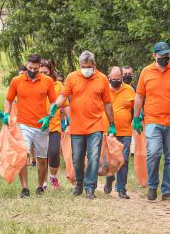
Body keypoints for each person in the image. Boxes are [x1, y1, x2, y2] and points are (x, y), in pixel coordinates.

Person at [50, 50, 116, 199]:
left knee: (93, 157)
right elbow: (63, 96)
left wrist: (112, 123)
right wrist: (54, 107)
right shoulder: (72, 77)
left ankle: (90, 188)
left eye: (88, 66)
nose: (85, 69)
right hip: (77, 126)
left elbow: (107, 103)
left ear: (94, 65)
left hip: (96, 125)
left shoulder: (102, 79)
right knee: (77, 158)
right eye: (82, 66)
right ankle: (79, 183)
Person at [133, 41, 170, 201]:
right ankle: (152, 186)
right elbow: (139, 96)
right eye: (162, 55)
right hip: (152, 120)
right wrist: (136, 118)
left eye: (167, 55)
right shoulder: (146, 72)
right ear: (154, 55)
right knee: (154, 153)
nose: (165, 57)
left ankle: (167, 190)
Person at [3, 54, 57, 198]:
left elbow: (54, 103)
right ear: (26, 65)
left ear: (40, 66)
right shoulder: (17, 81)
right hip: (23, 124)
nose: (32, 70)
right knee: (23, 155)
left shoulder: (47, 81)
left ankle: (40, 186)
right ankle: (25, 188)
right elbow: (8, 100)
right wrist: (6, 114)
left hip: (41, 125)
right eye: (29, 68)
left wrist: (49, 117)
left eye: (35, 68)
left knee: (42, 160)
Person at [103, 66, 135, 199]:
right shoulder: (103, 89)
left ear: (122, 78)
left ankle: (122, 189)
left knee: (124, 160)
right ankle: (109, 179)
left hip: (125, 131)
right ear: (109, 77)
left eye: (118, 79)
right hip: (108, 132)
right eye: (113, 79)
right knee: (109, 160)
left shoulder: (129, 90)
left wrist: (136, 120)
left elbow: (135, 109)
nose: (116, 81)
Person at [39, 59, 70, 190]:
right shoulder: (36, 83)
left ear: (51, 72)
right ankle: (43, 182)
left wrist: (71, 121)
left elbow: (66, 105)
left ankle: (53, 176)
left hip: (55, 125)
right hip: (39, 125)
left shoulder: (58, 86)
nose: (42, 74)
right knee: (41, 156)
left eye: (45, 72)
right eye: (40, 72)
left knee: (53, 153)